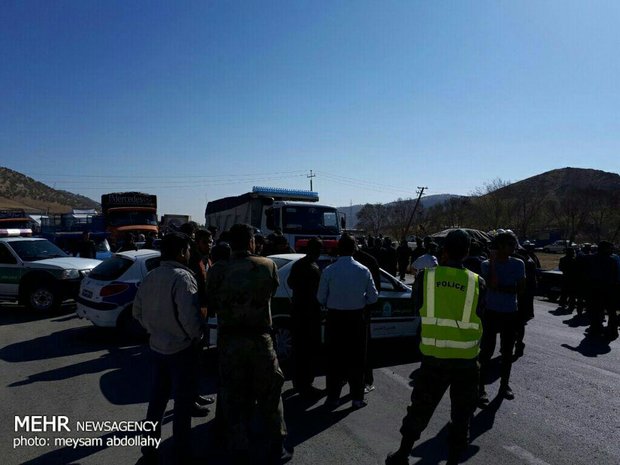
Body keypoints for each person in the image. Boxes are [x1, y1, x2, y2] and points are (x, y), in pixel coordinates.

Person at [386, 229, 485, 465]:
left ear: (445, 251)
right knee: (462, 414)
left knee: (420, 408)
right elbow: (482, 316)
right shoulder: (476, 281)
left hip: (434, 358)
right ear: (467, 252)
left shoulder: (425, 278)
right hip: (467, 360)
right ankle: (453, 459)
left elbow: (416, 306)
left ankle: (402, 454)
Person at [206, 224, 292, 464]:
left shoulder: (216, 271)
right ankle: (277, 444)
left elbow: (211, 302)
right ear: (252, 242)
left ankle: (238, 445)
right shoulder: (267, 266)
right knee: (271, 393)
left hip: (229, 340)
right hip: (259, 338)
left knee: (233, 395)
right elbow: (270, 294)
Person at [133, 232, 204, 465]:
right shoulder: (183, 278)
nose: (190, 253)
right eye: (188, 249)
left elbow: (138, 313)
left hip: (157, 347)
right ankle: (181, 451)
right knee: (182, 404)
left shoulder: (151, 276)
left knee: (157, 400)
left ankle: (149, 447)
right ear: (182, 252)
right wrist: (194, 336)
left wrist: (155, 330)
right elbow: (190, 318)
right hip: (180, 349)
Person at [317, 233, 378, 409]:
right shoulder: (363, 270)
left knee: (334, 359)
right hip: (356, 319)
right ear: (355, 249)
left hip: (334, 319)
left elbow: (320, 297)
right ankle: (357, 398)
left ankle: (333, 397)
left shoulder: (329, 270)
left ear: (339, 249)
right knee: (357, 360)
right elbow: (373, 298)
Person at [478, 232, 525, 405]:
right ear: (499, 247)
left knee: (507, 353)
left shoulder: (519, 264)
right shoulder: (485, 264)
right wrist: (491, 262)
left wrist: (501, 288)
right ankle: (480, 389)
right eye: (509, 244)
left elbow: (520, 289)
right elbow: (491, 283)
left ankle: (504, 386)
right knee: (486, 352)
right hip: (490, 312)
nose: (514, 247)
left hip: (510, 313)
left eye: (514, 244)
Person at [287, 237, 323, 398]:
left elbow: (290, 283)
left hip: (297, 311)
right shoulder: (313, 267)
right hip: (309, 314)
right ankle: (306, 384)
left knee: (298, 350)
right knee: (309, 350)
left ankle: (298, 382)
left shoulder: (298, 265)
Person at [558, 248, 578, 313]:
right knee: (572, 293)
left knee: (564, 291)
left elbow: (560, 268)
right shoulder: (574, 260)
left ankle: (563, 303)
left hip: (565, 277)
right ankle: (571, 304)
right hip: (573, 278)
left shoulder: (562, 259)